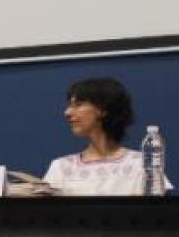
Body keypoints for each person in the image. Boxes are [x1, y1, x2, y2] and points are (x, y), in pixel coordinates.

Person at [43, 77, 172, 195]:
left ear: (103, 109)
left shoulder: (141, 164)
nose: (67, 112)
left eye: (78, 105)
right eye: (69, 106)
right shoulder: (60, 167)